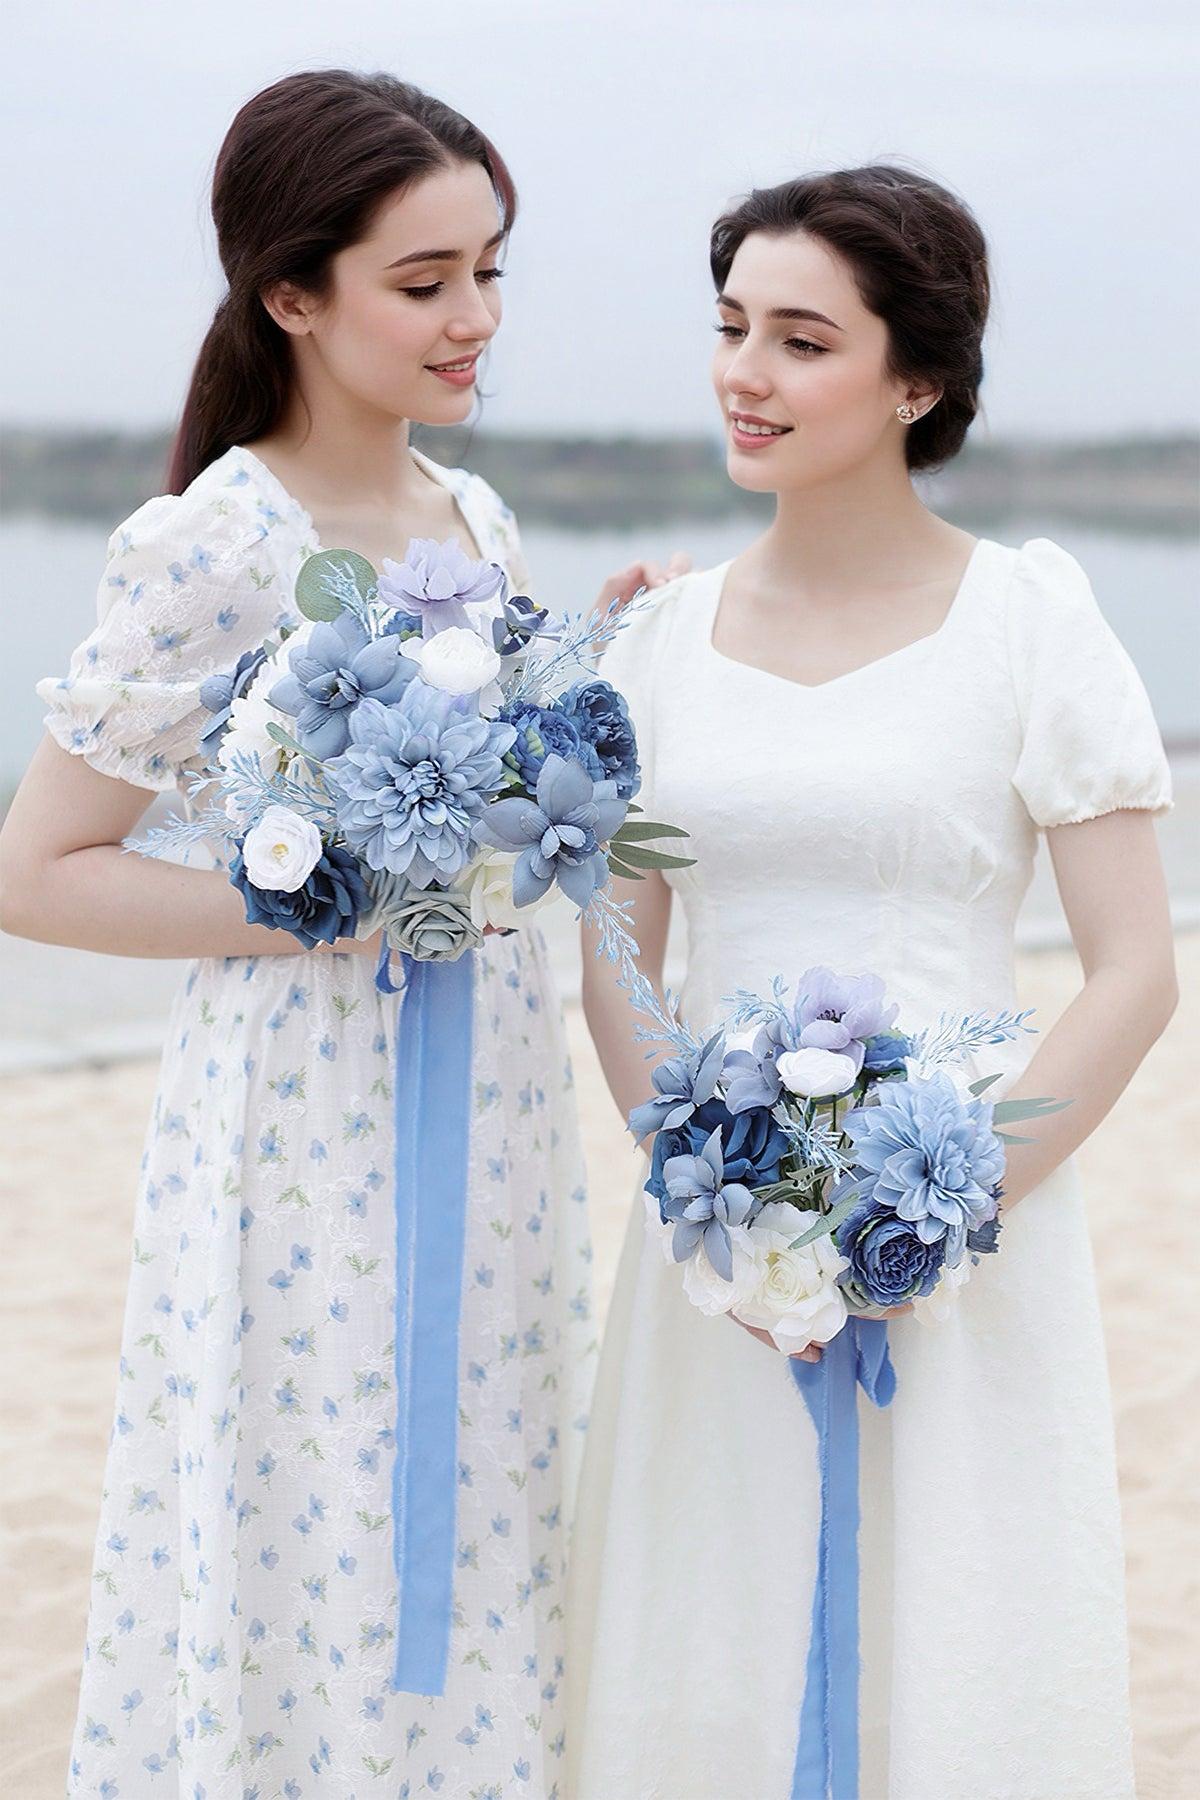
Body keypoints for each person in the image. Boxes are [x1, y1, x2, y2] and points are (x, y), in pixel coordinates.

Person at [0, 68, 678, 1797]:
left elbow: (538, 861)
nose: (478, 318)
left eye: (491, 269)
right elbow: (38, 869)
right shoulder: (214, 542)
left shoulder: (481, 523)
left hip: (506, 1112)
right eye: (427, 279)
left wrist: (602, 710)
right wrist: (321, 902)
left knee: (489, 1500)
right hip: (301, 1124)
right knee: (317, 1515)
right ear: (291, 294)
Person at [568, 165, 1176, 1799]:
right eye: (730, 328)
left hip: (962, 1249)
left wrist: (948, 1208)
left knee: (958, 1648)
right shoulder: (659, 643)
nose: (744, 375)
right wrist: (719, 1211)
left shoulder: (1032, 627)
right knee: (713, 1643)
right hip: (717, 1259)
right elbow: (621, 953)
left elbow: (1133, 972)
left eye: (800, 340)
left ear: (918, 380)